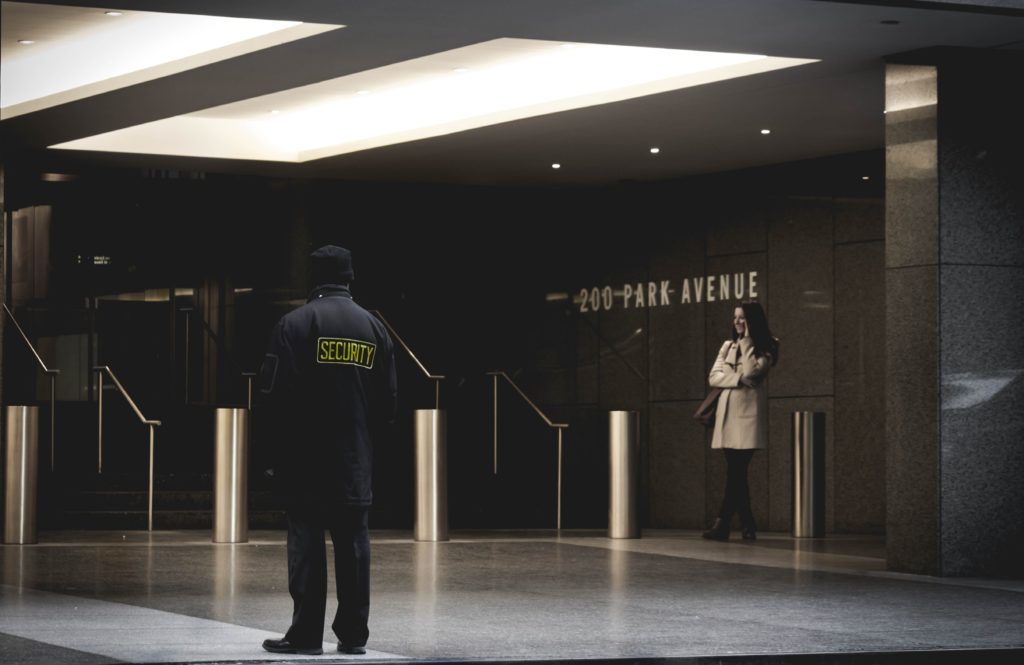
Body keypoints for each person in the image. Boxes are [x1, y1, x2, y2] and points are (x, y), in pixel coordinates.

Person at [258, 245, 397, 656]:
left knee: (307, 546)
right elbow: (388, 406)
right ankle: (353, 636)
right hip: (354, 461)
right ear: (350, 277)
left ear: (313, 278)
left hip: (305, 464)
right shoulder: (375, 328)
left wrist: (272, 458)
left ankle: (305, 635)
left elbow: (273, 399)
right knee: (355, 546)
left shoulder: (294, 324)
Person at [702, 301, 778, 542]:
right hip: (726, 417)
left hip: (747, 419)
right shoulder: (727, 346)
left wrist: (746, 342)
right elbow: (713, 377)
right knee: (737, 473)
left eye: (742, 317)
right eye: (735, 317)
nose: (737, 321)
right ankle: (747, 524)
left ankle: (722, 523)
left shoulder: (768, 346)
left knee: (736, 471)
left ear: (752, 321)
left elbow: (753, 373)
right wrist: (737, 380)